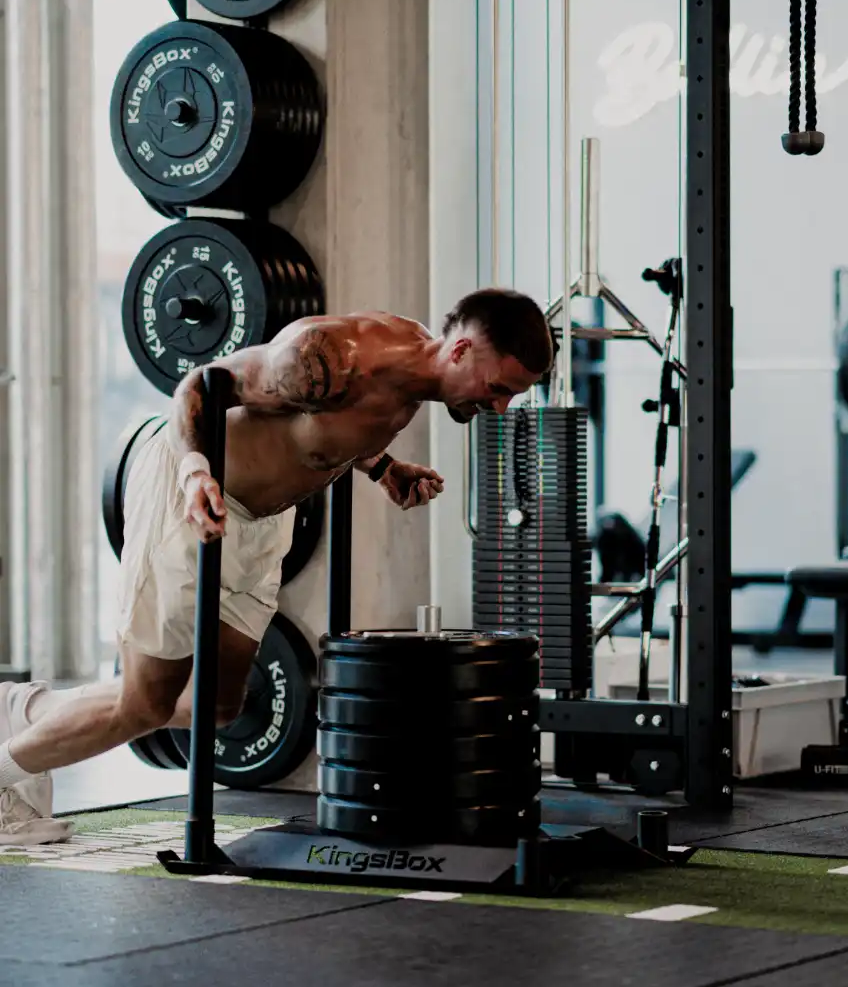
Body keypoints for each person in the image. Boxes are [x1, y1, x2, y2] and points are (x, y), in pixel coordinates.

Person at [0, 287, 554, 843]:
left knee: (217, 706)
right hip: (197, 500)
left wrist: (384, 467)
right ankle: (3, 779)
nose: (500, 406)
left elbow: (329, 431)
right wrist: (195, 473)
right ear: (458, 352)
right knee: (144, 705)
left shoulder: (415, 375)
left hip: (264, 525)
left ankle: (30, 709)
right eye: (498, 388)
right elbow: (199, 386)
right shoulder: (332, 358)